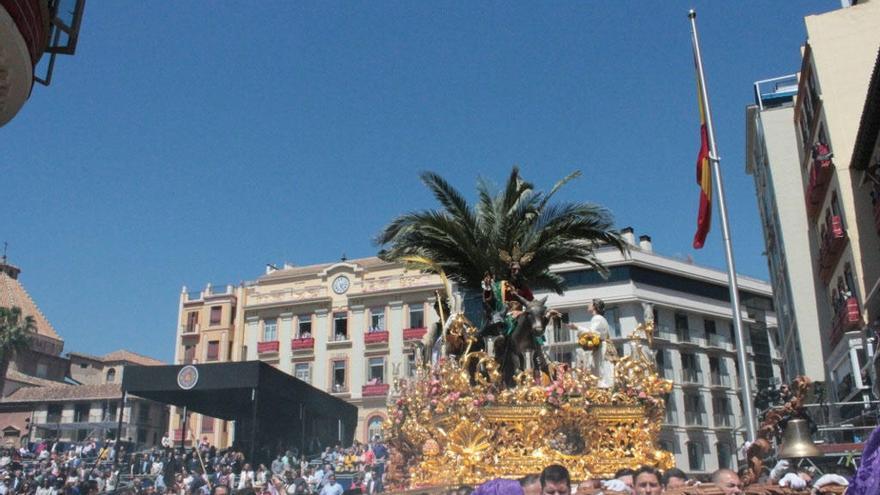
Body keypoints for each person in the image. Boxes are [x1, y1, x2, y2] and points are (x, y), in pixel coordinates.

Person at [568, 299, 615, 388]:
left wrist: (577, 327)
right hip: (602, 346)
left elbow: (592, 333)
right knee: (603, 368)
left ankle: (603, 388)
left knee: (601, 369)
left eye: (590, 303)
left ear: (594, 306)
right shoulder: (602, 318)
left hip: (601, 347)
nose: (588, 305)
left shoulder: (597, 318)